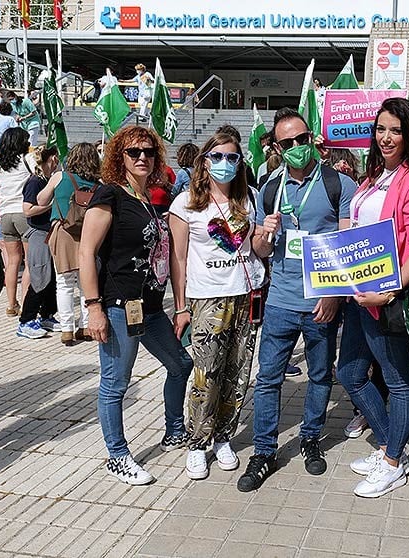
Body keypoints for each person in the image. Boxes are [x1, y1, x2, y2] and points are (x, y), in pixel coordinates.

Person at [239, 108, 356, 492]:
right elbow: (259, 249)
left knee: (320, 375)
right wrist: (264, 234)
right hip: (280, 300)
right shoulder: (269, 186)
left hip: (321, 301)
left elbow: (347, 245)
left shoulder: (340, 184)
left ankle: (310, 438)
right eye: (287, 143)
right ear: (277, 146)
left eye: (301, 140)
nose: (296, 148)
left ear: (313, 139)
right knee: (269, 378)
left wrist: (335, 294)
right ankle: (264, 451)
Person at [79, 126, 193, 485]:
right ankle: (117, 454)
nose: (142, 157)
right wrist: (93, 307)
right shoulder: (109, 195)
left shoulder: (149, 197)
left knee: (180, 363)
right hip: (116, 305)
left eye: (148, 151)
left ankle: (174, 430)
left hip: (151, 306)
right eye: (133, 152)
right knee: (115, 383)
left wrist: (180, 303)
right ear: (119, 158)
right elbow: (86, 252)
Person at [336, 97, 409, 498]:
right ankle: (391, 443)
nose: (386, 137)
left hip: (386, 300)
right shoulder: (373, 177)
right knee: (351, 374)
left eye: (395, 130)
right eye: (381, 129)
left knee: (398, 381)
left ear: (408, 134)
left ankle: (394, 460)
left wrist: (390, 291)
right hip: (359, 297)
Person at [168, 132, 265, 480]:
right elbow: (177, 257)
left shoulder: (248, 198)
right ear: (204, 161)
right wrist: (180, 306)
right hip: (206, 297)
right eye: (218, 156)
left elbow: (257, 250)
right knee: (206, 373)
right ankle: (197, 442)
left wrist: (265, 235)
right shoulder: (185, 203)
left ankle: (224, 436)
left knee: (237, 374)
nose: (225, 163)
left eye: (233, 157)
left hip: (244, 294)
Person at [37, 142, 99, 345]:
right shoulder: (98, 183)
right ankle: (86, 326)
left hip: (62, 231)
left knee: (64, 283)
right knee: (85, 282)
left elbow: (41, 199)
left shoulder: (60, 177)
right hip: (89, 234)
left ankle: (66, 330)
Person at [17, 146, 61, 339]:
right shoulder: (35, 182)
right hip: (38, 234)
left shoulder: (47, 180)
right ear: (50, 159)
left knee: (50, 278)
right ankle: (26, 320)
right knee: (39, 276)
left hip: (49, 233)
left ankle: (47, 315)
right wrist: (49, 205)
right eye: (56, 158)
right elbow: (28, 209)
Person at [0, 127, 32, 316]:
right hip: (24, 212)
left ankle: (10, 304)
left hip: (5, 214)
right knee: (30, 263)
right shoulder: (27, 160)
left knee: (13, 262)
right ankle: (26, 303)